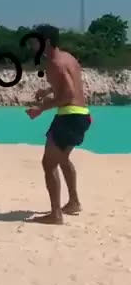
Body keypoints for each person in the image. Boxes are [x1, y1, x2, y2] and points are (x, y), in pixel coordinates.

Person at [25, 24, 91, 225]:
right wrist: (48, 90)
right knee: (62, 158)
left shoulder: (54, 63)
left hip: (68, 117)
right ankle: (73, 203)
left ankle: (56, 214)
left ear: (45, 41)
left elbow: (68, 95)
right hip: (81, 115)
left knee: (48, 163)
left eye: (35, 40)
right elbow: (69, 84)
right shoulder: (67, 57)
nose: (32, 43)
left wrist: (41, 108)